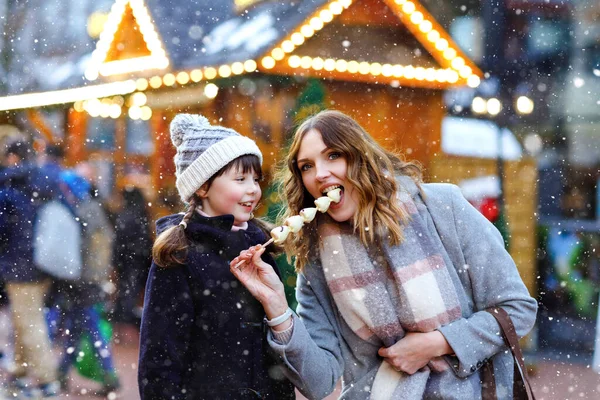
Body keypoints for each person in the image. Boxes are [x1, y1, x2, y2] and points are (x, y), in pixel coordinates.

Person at [230, 110, 538, 400]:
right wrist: (277, 307)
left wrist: (435, 344)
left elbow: (517, 309)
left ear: (361, 157)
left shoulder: (443, 207)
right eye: (306, 166)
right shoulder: (317, 261)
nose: (320, 174)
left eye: (333, 155)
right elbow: (319, 382)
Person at [138, 114, 295, 400]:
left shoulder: (260, 248)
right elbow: (160, 355)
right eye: (240, 178)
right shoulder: (178, 257)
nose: (253, 189)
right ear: (202, 186)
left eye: (256, 179)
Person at [0, 138, 61, 397]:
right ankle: (21, 372)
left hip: (18, 265)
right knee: (23, 318)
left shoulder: (9, 186)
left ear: (12, 157)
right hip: (45, 262)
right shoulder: (45, 181)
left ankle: (48, 381)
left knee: (29, 322)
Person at [53, 169, 120, 395]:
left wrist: (81, 275)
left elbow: (88, 248)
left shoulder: (83, 210)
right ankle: (61, 372)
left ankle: (110, 374)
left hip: (85, 280)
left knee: (89, 326)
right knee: (78, 326)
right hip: (88, 279)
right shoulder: (91, 207)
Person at [112, 185, 152, 326]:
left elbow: (119, 240)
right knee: (131, 290)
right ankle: (127, 321)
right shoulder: (140, 213)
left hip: (129, 258)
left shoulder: (126, 215)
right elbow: (144, 239)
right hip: (137, 258)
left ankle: (123, 322)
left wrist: (116, 259)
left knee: (127, 290)